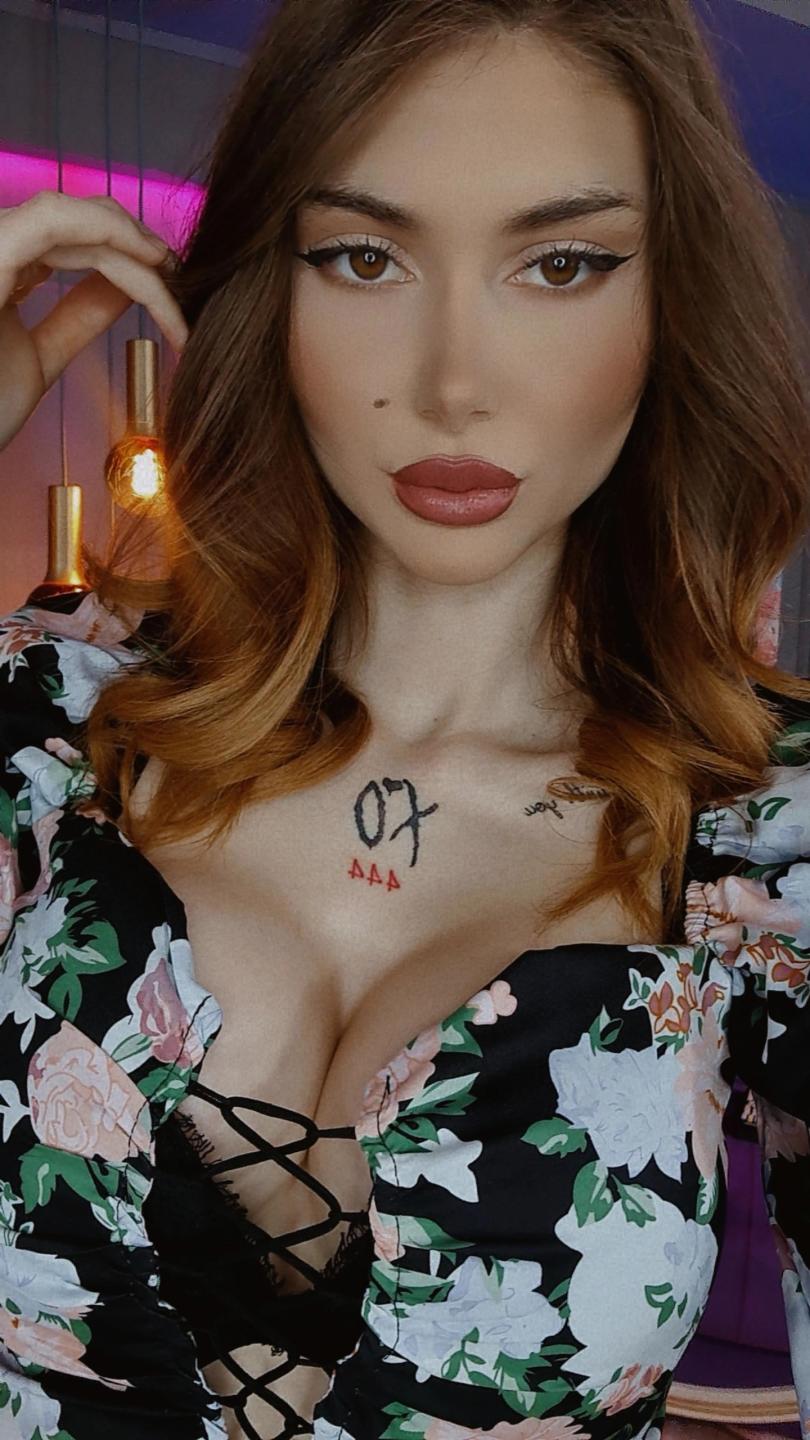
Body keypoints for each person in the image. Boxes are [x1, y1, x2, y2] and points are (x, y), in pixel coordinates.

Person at [1, 1, 809, 1438]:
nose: (453, 384)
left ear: (668, 303)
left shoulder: (769, 834)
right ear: (268, 285)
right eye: (364, 257)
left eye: (561, 264)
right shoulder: (50, 727)